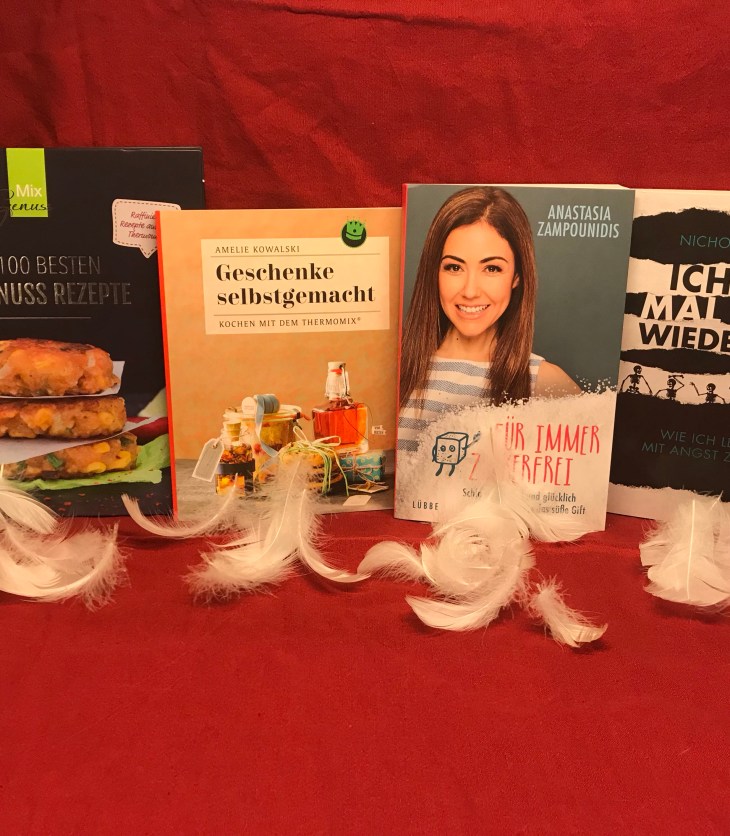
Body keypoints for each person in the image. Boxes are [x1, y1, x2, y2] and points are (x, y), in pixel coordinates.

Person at [398, 187, 579, 451]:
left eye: (492, 268)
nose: (470, 291)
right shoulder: (393, 369)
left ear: (517, 276)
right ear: (434, 272)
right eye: (454, 267)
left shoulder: (547, 384)